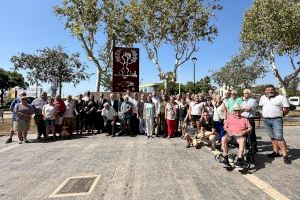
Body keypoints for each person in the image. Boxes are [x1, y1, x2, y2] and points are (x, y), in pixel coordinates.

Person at [259, 85, 291, 164]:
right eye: (268, 90)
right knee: (272, 137)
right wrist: (262, 115)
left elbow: (286, 108)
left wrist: (281, 114)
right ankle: (275, 152)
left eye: (271, 89)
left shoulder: (281, 97)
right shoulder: (263, 97)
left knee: (279, 137)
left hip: (277, 119)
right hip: (266, 120)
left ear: (274, 90)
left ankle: (285, 155)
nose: (270, 91)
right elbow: (260, 107)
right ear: (265, 91)